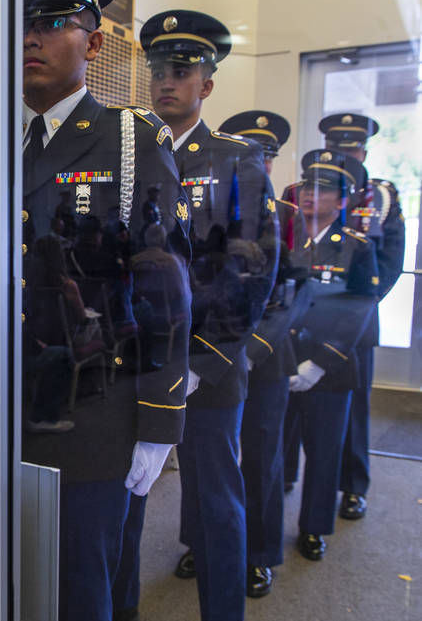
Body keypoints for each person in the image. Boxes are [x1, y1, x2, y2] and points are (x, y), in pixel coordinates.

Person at [19, 0, 191, 621]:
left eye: (53, 20)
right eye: (23, 22)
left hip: (94, 410)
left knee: (82, 588)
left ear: (92, 42)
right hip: (6, 405)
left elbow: (165, 281)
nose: (31, 36)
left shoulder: (130, 140)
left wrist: (159, 419)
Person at [117, 11, 278, 621]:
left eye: (181, 71)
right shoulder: (127, 153)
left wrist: (201, 366)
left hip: (207, 367)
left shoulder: (235, 163)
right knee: (128, 499)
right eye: (158, 69)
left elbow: (253, 273)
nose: (166, 81)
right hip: (139, 361)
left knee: (215, 503)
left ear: (206, 85)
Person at [219, 110, 309, 597]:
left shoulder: (288, 217)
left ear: (273, 163)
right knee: (210, 457)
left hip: (265, 356)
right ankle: (203, 541)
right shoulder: (215, 208)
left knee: (259, 456)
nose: (259, 164)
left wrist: (252, 347)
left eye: (265, 156)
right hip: (217, 352)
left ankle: (258, 554)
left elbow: (295, 293)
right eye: (249, 155)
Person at [286, 149, 379, 561]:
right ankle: (265, 527)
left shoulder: (355, 247)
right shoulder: (286, 238)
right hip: (283, 363)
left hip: (330, 369)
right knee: (272, 454)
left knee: (324, 453)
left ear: (342, 202)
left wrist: (319, 362)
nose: (311, 195)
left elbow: (359, 309)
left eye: (324, 189)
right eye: (308, 186)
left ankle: (313, 528)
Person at [322, 114, 406, 520]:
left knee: (354, 409)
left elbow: (389, 264)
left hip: (355, 322)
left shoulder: (381, 198)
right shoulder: (311, 190)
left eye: (351, 149)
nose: (344, 155)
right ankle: (287, 479)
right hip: (309, 320)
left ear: (365, 152)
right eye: (337, 148)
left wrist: (355, 308)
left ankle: (353, 486)